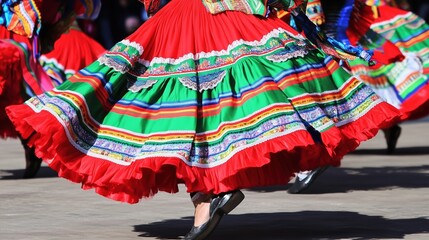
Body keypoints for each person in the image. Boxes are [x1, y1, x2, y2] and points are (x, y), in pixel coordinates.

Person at [6, 0, 400, 239]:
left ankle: (210, 197)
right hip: (207, 14)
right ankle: (213, 194)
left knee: (187, 108)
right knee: (200, 106)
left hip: (198, 16)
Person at [288, 0, 429, 194]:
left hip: (327, 19)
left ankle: (317, 150)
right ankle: (318, 148)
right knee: (345, 70)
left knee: (325, 71)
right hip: (332, 19)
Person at [0, 0, 103, 178]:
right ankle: (32, 138)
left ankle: (33, 137)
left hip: (17, 31)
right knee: (16, 90)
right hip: (21, 29)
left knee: (17, 87)